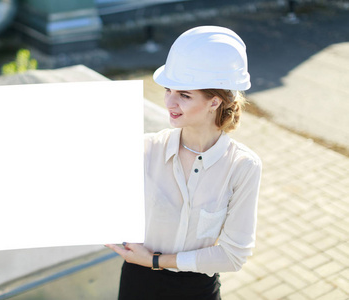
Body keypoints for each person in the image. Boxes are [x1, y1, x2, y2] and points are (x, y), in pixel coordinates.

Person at [106, 25, 262, 300]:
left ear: (214, 102)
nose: (169, 102)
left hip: (196, 291)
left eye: (184, 95)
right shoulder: (145, 148)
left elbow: (232, 256)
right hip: (137, 283)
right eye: (168, 90)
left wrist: (155, 260)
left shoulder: (242, 167)